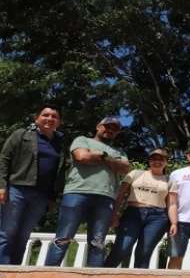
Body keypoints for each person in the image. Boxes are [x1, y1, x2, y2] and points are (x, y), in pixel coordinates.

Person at [45, 117, 131, 267]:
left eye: (114, 129)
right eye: (107, 126)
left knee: (98, 243)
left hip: (106, 197)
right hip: (77, 192)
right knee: (63, 238)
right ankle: (48, 276)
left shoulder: (120, 151)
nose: (110, 130)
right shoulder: (82, 140)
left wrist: (100, 156)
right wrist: (110, 161)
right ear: (98, 126)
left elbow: (124, 168)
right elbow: (81, 156)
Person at [0, 105, 67, 265]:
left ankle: (15, 270)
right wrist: (2, 185)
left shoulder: (60, 142)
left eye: (54, 116)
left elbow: (58, 172)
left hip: (41, 196)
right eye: (45, 115)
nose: (50, 119)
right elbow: (4, 159)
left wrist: (52, 197)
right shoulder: (22, 135)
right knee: (7, 232)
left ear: (59, 122)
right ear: (36, 118)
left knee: (24, 235)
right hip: (18, 189)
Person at [105, 148, 170, 269]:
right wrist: (114, 215)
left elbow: (171, 204)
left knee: (144, 253)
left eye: (161, 159)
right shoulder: (135, 173)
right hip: (133, 214)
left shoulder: (169, 180)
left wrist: (173, 223)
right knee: (122, 248)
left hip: (157, 218)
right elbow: (120, 195)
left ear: (166, 162)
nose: (157, 161)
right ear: (149, 161)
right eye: (154, 158)